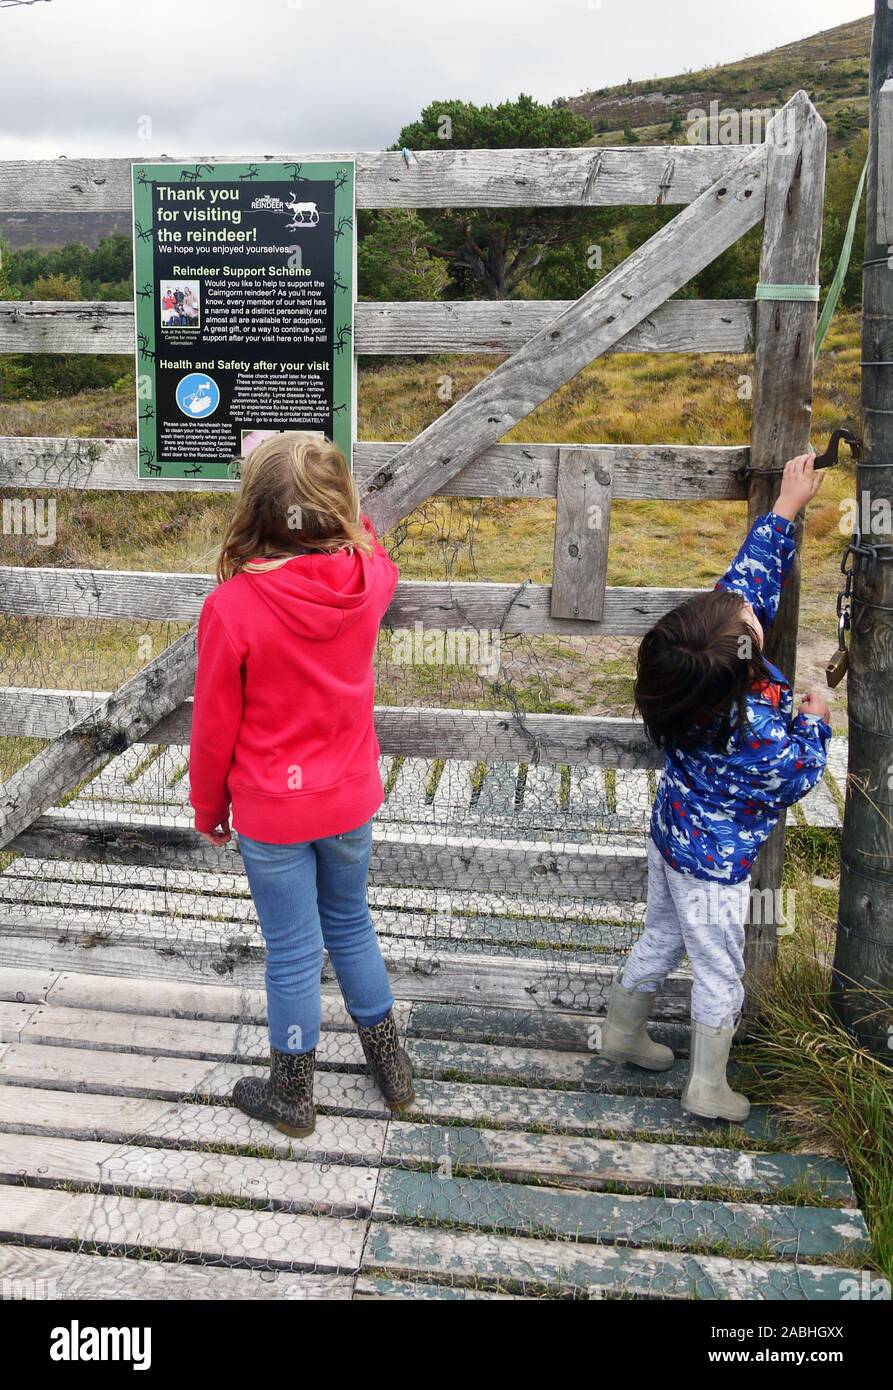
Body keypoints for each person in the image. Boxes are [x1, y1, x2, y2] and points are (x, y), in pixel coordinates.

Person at [188, 431, 412, 1137]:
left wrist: (208, 806)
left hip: (271, 810)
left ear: (253, 510)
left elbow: (214, 729)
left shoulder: (233, 609)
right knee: (350, 924)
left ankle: (292, 1093)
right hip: (349, 798)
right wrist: (320, 481)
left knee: (291, 948)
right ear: (338, 509)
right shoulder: (368, 578)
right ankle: (392, 1069)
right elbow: (367, 536)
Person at [599, 455, 831, 1122]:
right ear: (744, 659)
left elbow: (744, 586)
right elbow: (796, 777)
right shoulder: (754, 729)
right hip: (713, 869)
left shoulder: (689, 674)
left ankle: (619, 1034)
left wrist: (783, 508)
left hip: (671, 841)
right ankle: (706, 1085)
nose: (750, 613)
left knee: (659, 939)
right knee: (717, 969)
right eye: (751, 628)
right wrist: (813, 724)